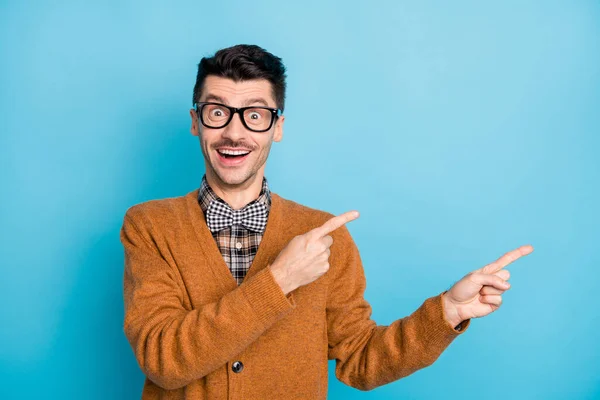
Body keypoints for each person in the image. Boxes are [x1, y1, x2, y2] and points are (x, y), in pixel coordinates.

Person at [120, 44, 534, 399]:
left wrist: (445, 313)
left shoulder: (324, 236)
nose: (234, 131)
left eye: (255, 115)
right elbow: (163, 360)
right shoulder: (150, 226)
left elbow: (360, 359)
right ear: (195, 121)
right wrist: (280, 279)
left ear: (276, 128)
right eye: (217, 112)